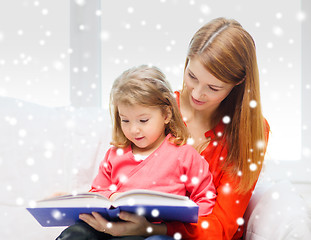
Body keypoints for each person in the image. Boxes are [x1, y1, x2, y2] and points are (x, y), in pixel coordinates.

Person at [59, 16, 270, 240]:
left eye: (213, 87)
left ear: (238, 83)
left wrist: (152, 229)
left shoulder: (250, 132)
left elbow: (220, 227)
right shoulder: (155, 109)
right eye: (192, 76)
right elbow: (118, 165)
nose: (197, 93)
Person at [56, 65, 216, 240]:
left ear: (166, 115)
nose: (134, 130)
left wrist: (175, 224)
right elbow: (97, 191)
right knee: (75, 234)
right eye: (125, 120)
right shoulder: (114, 155)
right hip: (110, 226)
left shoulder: (185, 156)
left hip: (153, 232)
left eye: (143, 120)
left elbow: (205, 201)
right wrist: (112, 196)